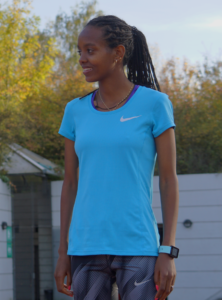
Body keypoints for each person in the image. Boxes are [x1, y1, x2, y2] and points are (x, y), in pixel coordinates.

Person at [54, 15, 179, 300]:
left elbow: (169, 181)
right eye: (79, 51)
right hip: (85, 248)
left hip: (138, 246)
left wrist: (167, 250)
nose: (82, 58)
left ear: (118, 53)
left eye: (90, 50)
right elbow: (70, 183)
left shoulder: (155, 104)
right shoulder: (75, 111)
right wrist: (63, 252)